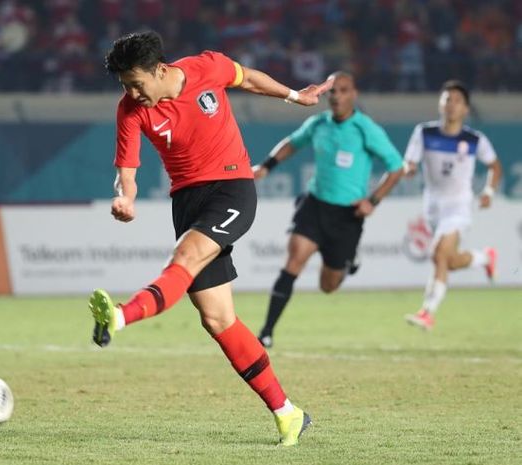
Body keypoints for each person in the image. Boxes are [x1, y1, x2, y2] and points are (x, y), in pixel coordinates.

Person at [88, 31, 334, 446]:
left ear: (160, 69)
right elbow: (127, 169)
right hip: (186, 202)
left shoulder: (207, 67)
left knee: (184, 258)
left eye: (136, 83)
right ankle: (287, 413)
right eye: (125, 86)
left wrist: (296, 96)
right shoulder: (130, 109)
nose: (132, 92)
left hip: (231, 188)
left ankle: (121, 316)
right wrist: (123, 198)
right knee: (217, 318)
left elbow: (250, 79)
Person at [254, 71, 404, 349]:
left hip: (348, 216)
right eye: (332, 91)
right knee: (293, 262)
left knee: (328, 286)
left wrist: (373, 200)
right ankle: (266, 332)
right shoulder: (318, 124)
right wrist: (266, 166)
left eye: (343, 91)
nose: (336, 96)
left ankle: (348, 262)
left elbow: (397, 167)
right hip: (315, 205)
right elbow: (292, 144)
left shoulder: (365, 129)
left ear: (353, 94)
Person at [403, 80, 502, 331]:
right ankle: (483, 258)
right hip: (433, 208)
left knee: (438, 255)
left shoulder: (474, 139)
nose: (451, 105)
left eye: (457, 101)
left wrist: (489, 190)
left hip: (459, 207)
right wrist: (409, 168)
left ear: (466, 109)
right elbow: (410, 162)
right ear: (440, 104)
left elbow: (494, 166)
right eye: (447, 99)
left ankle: (427, 313)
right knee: (448, 260)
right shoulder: (424, 133)